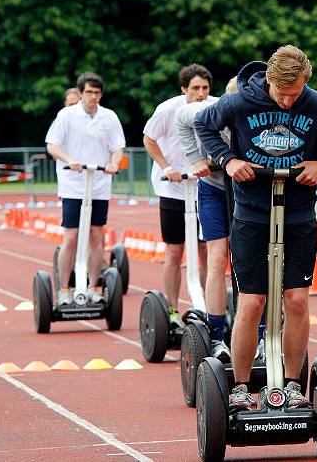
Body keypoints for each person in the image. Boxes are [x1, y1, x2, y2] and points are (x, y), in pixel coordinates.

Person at [194, 45, 317, 412]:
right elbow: (203, 124)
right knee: (252, 301)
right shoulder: (240, 101)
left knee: (297, 300)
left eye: (295, 93)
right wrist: (228, 159)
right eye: (282, 94)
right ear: (269, 80)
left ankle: (292, 384)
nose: (287, 102)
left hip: (298, 211)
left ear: (305, 82)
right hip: (252, 212)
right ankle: (240, 386)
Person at [143, 64, 216, 328]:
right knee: (175, 250)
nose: (201, 93)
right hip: (173, 187)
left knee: (206, 249)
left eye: (205, 88)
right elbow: (149, 139)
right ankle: (172, 310)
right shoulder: (168, 109)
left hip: (204, 186)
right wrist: (167, 167)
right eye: (195, 88)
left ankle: (210, 308)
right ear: (184, 88)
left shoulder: (215, 107)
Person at [46, 72, 126, 305]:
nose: (93, 97)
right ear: (80, 93)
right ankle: (64, 288)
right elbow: (52, 146)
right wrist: (69, 159)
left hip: (99, 184)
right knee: (71, 236)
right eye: (89, 92)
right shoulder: (67, 115)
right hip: (73, 185)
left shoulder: (109, 117)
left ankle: (93, 287)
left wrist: (114, 163)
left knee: (97, 235)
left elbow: (117, 147)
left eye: (97, 93)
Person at [175, 74, 236, 361]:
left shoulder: (262, 115)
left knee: (252, 261)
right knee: (217, 258)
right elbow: (180, 119)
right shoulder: (206, 110)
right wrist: (195, 159)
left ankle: (262, 336)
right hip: (213, 188)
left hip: (247, 190)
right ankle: (217, 336)